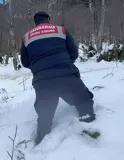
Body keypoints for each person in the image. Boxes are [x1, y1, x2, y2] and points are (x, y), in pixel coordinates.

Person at [20, 12, 96, 145]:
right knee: (83, 100)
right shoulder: (60, 30)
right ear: (48, 19)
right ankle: (89, 127)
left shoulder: (27, 37)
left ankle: (41, 140)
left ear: (35, 22)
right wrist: (65, 64)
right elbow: (73, 52)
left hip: (42, 80)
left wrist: (39, 69)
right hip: (66, 74)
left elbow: (25, 62)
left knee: (45, 112)